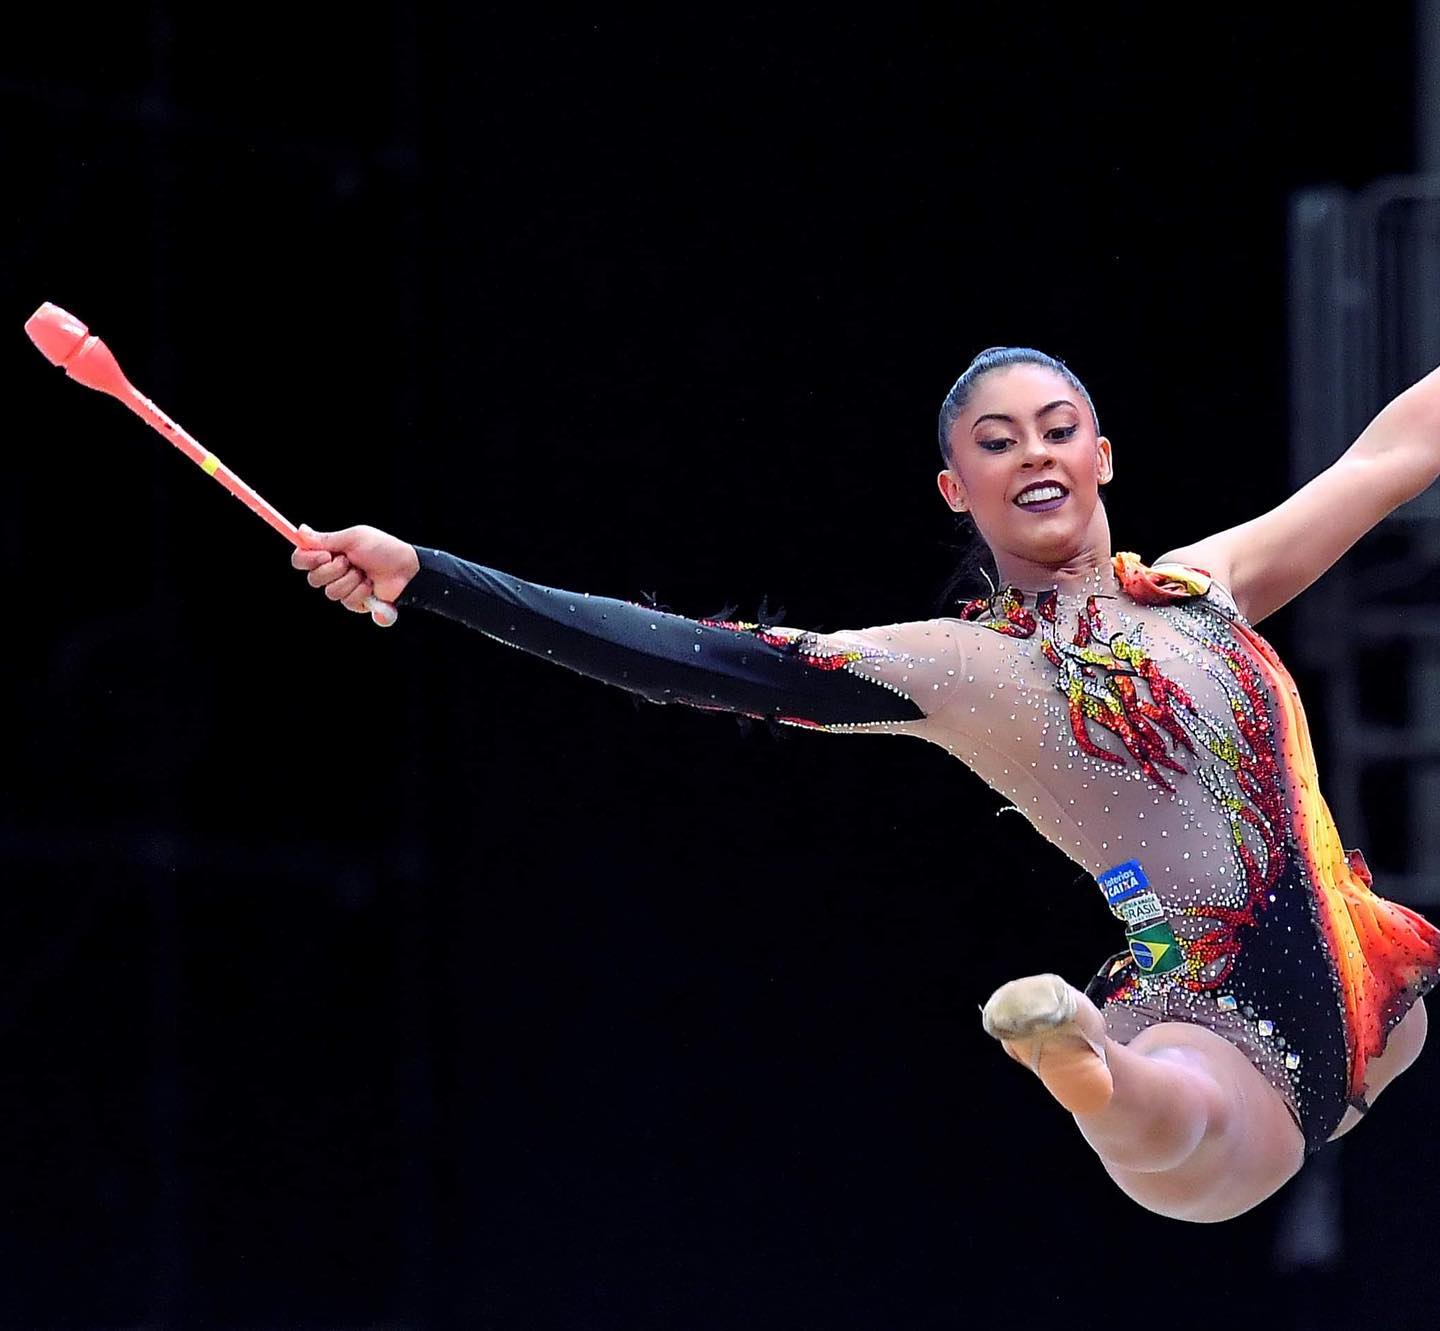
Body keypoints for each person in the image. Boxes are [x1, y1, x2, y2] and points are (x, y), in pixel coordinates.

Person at [290, 346, 1440, 1222]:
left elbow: (1387, 458)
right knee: (1181, 1119)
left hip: (1369, 985)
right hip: (1213, 1020)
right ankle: (1081, 1059)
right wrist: (430, 574)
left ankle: (1091, 1059)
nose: (1033, 450)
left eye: (1057, 428)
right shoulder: (962, 666)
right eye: (997, 441)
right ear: (956, 487)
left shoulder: (1206, 585)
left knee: (1389, 1043)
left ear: (1102, 456)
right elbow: (688, 656)